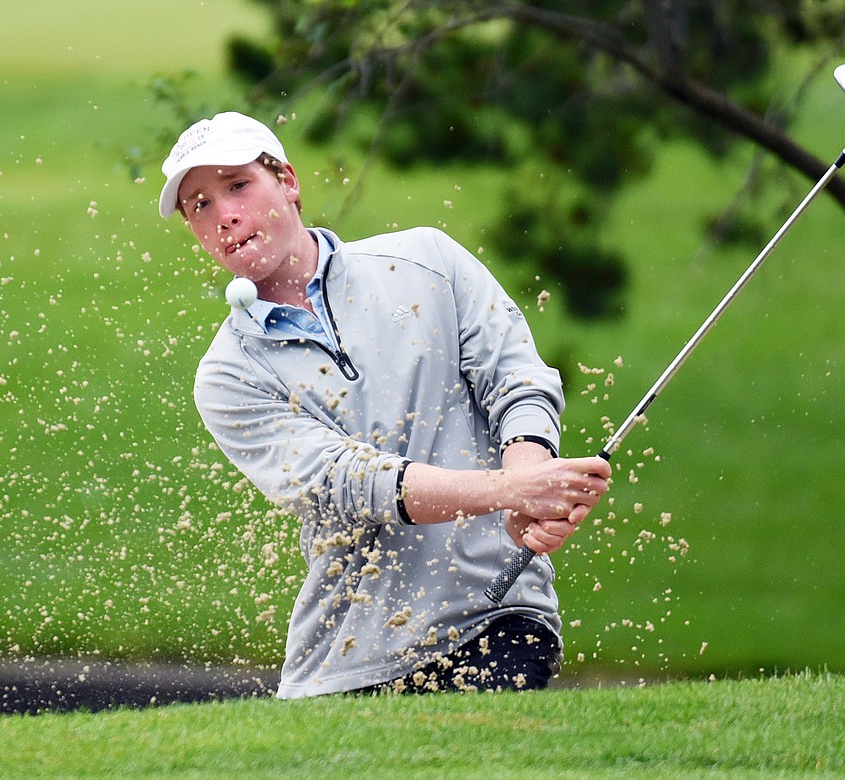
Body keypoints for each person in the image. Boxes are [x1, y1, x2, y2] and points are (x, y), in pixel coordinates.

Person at [157, 111, 612, 698]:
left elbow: (515, 379)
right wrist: (509, 492)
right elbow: (353, 484)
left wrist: (529, 478)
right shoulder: (228, 375)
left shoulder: (426, 262)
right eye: (199, 206)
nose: (224, 216)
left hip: (497, 616)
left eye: (237, 185)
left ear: (288, 182)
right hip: (344, 663)